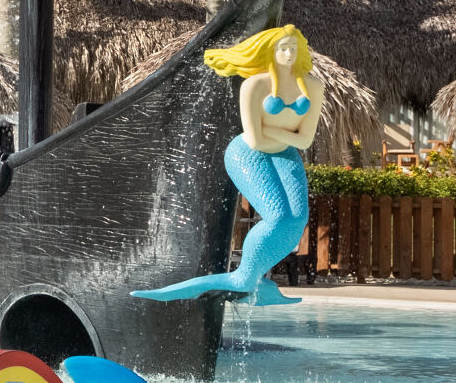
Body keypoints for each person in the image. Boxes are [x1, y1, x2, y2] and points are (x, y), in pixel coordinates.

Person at [133, 23, 325, 306]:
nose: (288, 53)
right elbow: (255, 141)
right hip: (246, 154)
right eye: (282, 48)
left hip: (285, 154)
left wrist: (270, 130)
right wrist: (285, 133)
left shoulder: (312, 86)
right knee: (278, 217)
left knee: (296, 221)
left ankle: (252, 278)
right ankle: (244, 277)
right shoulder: (254, 86)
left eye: (293, 48)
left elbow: (305, 140)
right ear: (269, 52)